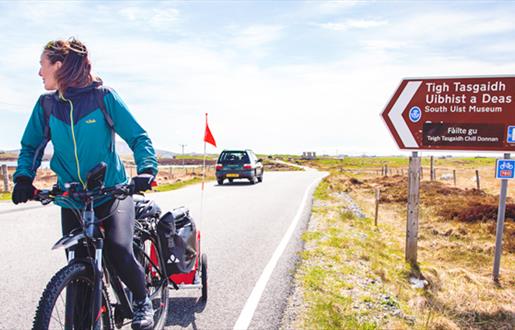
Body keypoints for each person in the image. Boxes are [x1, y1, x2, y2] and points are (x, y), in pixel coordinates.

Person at [12, 38, 157, 330]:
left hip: (112, 192)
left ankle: (142, 301)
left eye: (42, 65)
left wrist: (147, 170)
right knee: (78, 267)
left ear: (59, 65)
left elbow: (138, 137)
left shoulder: (103, 97)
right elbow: (31, 146)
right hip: (73, 199)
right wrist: (24, 178)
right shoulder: (47, 105)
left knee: (117, 248)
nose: (39, 73)